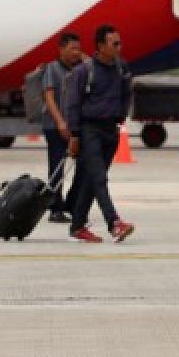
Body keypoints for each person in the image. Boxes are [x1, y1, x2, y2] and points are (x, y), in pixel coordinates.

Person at [66, 24, 135, 243]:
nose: (119, 47)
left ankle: (77, 226)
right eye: (114, 43)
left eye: (120, 42)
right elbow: (73, 104)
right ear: (100, 46)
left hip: (110, 130)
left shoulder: (121, 68)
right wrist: (75, 135)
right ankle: (114, 223)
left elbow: (126, 94)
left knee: (91, 180)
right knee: (99, 178)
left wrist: (121, 116)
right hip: (90, 130)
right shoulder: (84, 71)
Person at [42, 32, 84, 223]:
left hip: (75, 125)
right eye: (73, 48)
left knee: (82, 166)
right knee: (56, 167)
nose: (77, 52)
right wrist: (60, 122)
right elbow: (49, 98)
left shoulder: (80, 69)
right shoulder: (52, 69)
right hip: (54, 125)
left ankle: (72, 203)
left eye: (79, 48)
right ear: (61, 49)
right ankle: (54, 208)